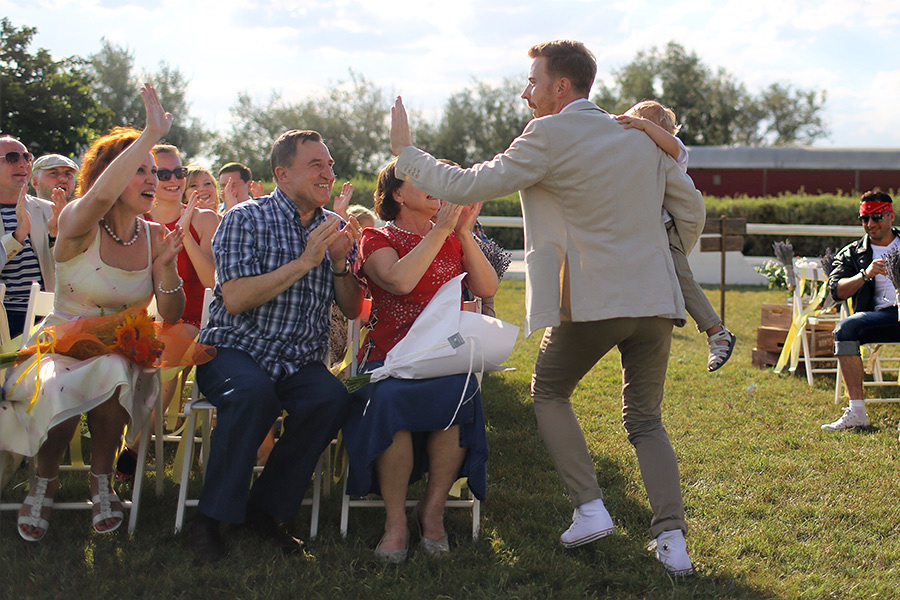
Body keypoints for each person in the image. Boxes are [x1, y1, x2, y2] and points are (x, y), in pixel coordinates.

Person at [388, 40, 706, 576]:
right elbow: (691, 209)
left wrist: (406, 153)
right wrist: (663, 259)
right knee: (647, 419)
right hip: (655, 300)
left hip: (594, 301)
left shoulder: (548, 133)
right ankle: (672, 541)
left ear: (562, 87)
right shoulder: (638, 134)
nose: (525, 91)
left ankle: (590, 507)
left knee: (550, 391)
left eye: (532, 81)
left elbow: (469, 184)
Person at [1, 84, 186, 541]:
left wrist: (165, 269)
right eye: (140, 171)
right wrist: (148, 135)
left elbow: (173, 311)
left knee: (114, 369)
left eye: (155, 172)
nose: (153, 180)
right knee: (62, 382)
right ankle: (43, 481)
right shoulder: (76, 224)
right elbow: (99, 199)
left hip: (122, 352)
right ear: (108, 176)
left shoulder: (152, 236)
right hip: (58, 344)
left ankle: (101, 480)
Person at [187, 129, 365, 563]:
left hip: (299, 361)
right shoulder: (244, 218)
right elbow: (235, 298)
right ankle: (210, 519)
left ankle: (264, 510)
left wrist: (340, 263)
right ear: (283, 174)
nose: (328, 173)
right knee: (253, 395)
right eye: (316, 165)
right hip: (234, 351)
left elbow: (353, 307)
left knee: (332, 399)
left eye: (330, 164)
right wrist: (305, 261)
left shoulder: (334, 228)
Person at [342, 159, 498, 563]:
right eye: (424, 179)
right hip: (386, 359)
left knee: (458, 395)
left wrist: (462, 232)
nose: (438, 186)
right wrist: (444, 230)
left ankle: (432, 510)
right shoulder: (377, 237)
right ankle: (395, 522)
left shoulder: (452, 237)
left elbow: (486, 287)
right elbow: (399, 280)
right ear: (397, 193)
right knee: (390, 398)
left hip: (443, 357)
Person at [115, 153, 220, 481]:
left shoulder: (207, 220)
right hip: (147, 317)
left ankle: (134, 444)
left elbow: (213, 282)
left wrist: (185, 233)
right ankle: (119, 440)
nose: (174, 179)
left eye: (180, 171)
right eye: (164, 172)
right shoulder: (135, 223)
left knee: (165, 356)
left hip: (197, 318)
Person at [616, 100, 736, 372]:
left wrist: (643, 125)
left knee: (681, 277)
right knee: (664, 278)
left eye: (642, 125)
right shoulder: (640, 155)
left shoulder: (675, 153)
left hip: (670, 229)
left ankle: (717, 331)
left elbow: (669, 145)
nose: (636, 130)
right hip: (652, 231)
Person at [821, 190, 900, 432]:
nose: (870, 224)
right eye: (864, 219)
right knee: (846, 328)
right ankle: (857, 411)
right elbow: (836, 291)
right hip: (883, 316)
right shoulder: (853, 253)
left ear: (891, 216)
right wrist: (865, 274)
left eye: (876, 218)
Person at [0, 136, 57, 338]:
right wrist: (16, 237)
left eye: (26, 157)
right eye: (12, 158)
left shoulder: (48, 210)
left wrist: (56, 237)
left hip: (48, 317)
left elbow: (71, 267)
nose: (23, 164)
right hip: (5, 319)